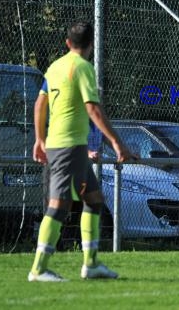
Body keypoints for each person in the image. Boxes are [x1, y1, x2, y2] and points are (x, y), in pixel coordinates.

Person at [29, 21, 135, 282]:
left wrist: (39, 139)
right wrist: (117, 143)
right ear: (91, 45)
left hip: (64, 145)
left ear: (67, 43)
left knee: (95, 199)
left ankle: (91, 264)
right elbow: (94, 110)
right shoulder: (84, 68)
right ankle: (39, 268)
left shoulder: (55, 67)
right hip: (69, 146)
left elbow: (39, 104)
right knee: (59, 205)